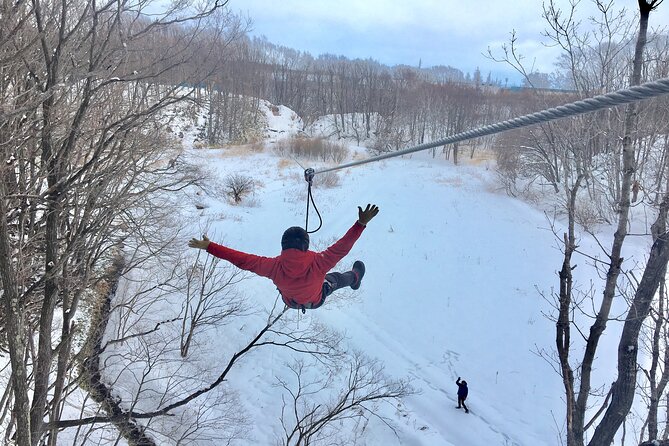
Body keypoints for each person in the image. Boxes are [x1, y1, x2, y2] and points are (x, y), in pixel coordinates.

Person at [188, 204, 380, 312]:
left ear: (283, 245)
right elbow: (342, 248)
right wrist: (360, 224)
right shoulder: (319, 262)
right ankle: (355, 278)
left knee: (330, 280)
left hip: (290, 301)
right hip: (316, 300)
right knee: (334, 279)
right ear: (306, 246)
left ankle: (353, 279)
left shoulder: (272, 266)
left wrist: (210, 247)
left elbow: (242, 260)